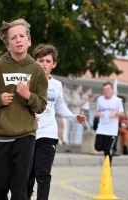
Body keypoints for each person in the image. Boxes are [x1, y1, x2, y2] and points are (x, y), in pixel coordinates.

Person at [0, 19, 48, 200]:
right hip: (0, 134)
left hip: (26, 134)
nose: (18, 40)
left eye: (22, 36)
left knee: (20, 187)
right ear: (8, 45)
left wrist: (28, 95)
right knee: (0, 184)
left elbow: (40, 105)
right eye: (13, 38)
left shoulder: (37, 70)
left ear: (29, 41)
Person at [27, 44, 87, 200]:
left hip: (48, 135)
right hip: (28, 133)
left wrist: (74, 117)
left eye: (48, 61)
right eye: (41, 60)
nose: (44, 64)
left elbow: (60, 107)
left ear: (54, 65)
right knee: (27, 176)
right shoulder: (27, 81)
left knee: (43, 174)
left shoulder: (57, 85)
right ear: (35, 62)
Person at [94, 82, 124, 165]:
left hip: (112, 128)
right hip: (102, 127)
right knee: (98, 147)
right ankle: (108, 149)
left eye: (108, 89)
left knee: (108, 150)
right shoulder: (100, 99)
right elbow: (98, 110)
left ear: (112, 90)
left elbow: (122, 114)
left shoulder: (117, 100)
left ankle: (108, 168)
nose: (106, 91)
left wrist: (115, 113)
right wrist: (97, 113)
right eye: (104, 89)